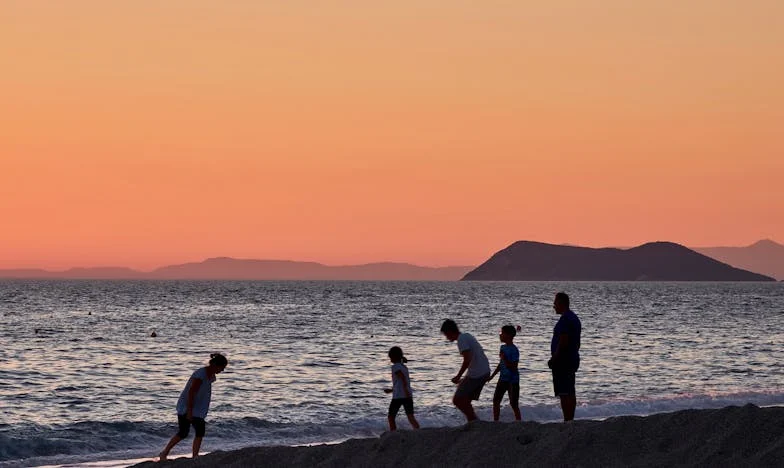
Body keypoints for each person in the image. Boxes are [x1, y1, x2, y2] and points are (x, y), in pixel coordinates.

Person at [158, 353, 228, 461]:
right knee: (183, 432)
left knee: (200, 431)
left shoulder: (210, 375)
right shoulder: (201, 374)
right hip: (187, 407)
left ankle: (195, 456)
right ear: (215, 365)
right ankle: (164, 453)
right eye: (222, 368)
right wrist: (189, 411)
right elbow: (191, 393)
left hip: (198, 408)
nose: (222, 370)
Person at [440, 319, 491, 422]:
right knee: (465, 399)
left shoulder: (461, 340)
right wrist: (464, 378)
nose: (446, 337)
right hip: (484, 371)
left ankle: (474, 421)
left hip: (478, 373)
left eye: (446, 334)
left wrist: (459, 376)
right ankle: (473, 421)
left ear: (449, 331)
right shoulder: (467, 335)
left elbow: (467, 359)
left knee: (457, 400)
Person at [548, 292, 581, 421]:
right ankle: (570, 419)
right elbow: (577, 343)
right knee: (570, 391)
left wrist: (554, 358)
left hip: (563, 361)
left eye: (555, 303)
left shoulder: (566, 319)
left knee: (564, 392)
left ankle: (567, 419)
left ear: (561, 303)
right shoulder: (574, 318)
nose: (554, 306)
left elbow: (563, 341)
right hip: (571, 358)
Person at [487, 325, 521, 421]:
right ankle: (496, 421)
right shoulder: (502, 347)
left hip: (512, 380)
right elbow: (501, 364)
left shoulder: (514, 349)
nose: (500, 335)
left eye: (502, 333)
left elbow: (514, 367)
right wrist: (492, 376)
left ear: (509, 335)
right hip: (502, 379)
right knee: (496, 401)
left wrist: (504, 358)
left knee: (513, 404)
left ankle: (519, 422)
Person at [383, 346, 420, 431]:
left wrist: (405, 390)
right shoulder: (404, 367)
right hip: (407, 395)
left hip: (399, 396)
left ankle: (393, 433)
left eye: (390, 357)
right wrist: (391, 390)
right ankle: (418, 431)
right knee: (410, 417)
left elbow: (402, 377)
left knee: (391, 417)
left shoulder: (395, 366)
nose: (390, 359)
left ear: (393, 357)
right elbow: (399, 382)